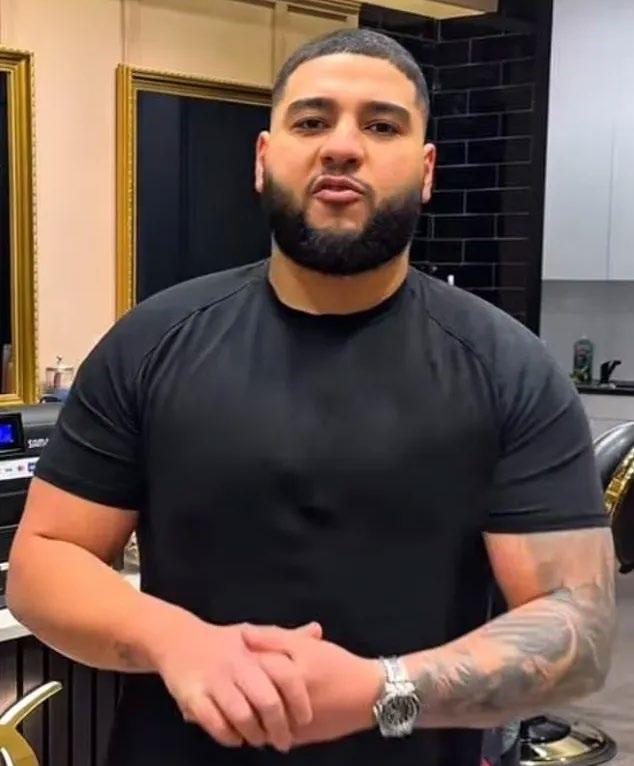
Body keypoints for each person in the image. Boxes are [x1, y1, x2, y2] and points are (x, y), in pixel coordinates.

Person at [7, 28, 615, 766]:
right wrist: (176, 640)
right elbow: (45, 561)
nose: (342, 147)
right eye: (312, 120)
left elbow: (579, 628)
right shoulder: (150, 343)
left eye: (381, 126)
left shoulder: (509, 369)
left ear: (426, 170)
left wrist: (382, 690)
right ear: (264, 159)